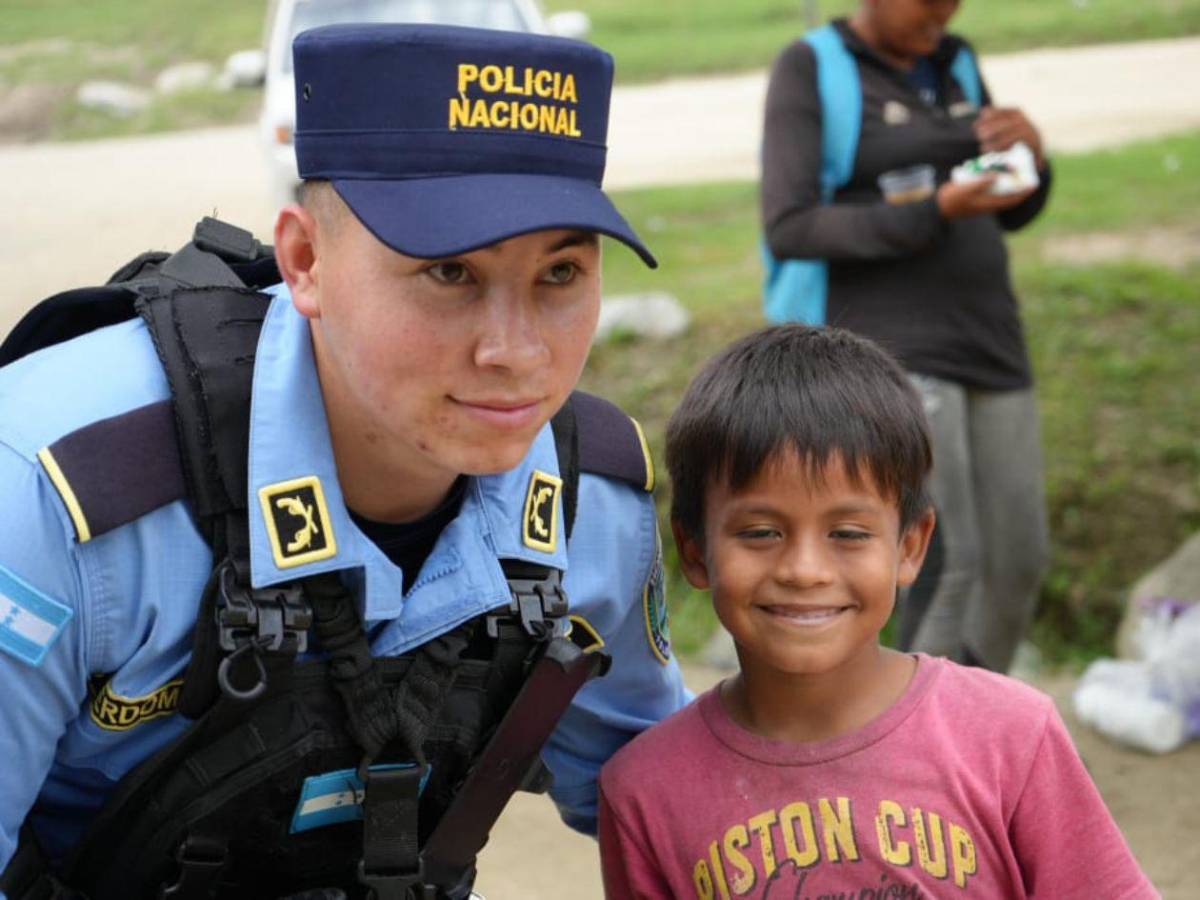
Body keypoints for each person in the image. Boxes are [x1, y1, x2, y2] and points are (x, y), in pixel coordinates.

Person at [0, 23, 688, 899]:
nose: (516, 354)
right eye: (448, 273)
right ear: (304, 261)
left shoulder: (593, 499)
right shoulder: (58, 490)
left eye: (559, 275)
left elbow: (666, 803)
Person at [598, 325, 1157, 899]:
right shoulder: (645, 792)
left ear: (910, 546)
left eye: (847, 532)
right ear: (695, 551)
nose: (805, 569)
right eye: (761, 532)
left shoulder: (1010, 738)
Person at [761, 0, 1051, 673]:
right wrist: (934, 212)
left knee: (1018, 561)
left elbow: (1014, 206)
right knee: (945, 560)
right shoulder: (812, 68)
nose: (944, 11)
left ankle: (982, 735)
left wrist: (1032, 151)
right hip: (893, 349)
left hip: (990, 339)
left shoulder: (955, 59)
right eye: (929, 1)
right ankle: (914, 757)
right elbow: (792, 225)